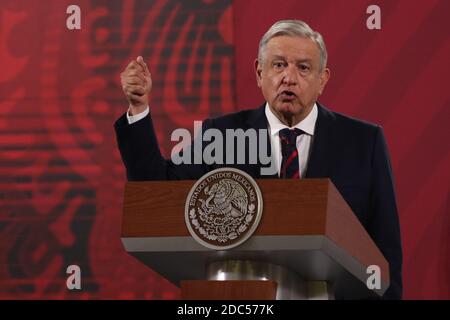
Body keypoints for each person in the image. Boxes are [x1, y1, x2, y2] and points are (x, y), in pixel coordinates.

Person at [114, 20, 402, 299]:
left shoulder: (364, 142)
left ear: (322, 79)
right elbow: (156, 193)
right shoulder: (222, 135)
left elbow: (384, 250)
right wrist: (139, 109)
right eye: (279, 65)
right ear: (259, 72)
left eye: (303, 68)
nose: (289, 78)